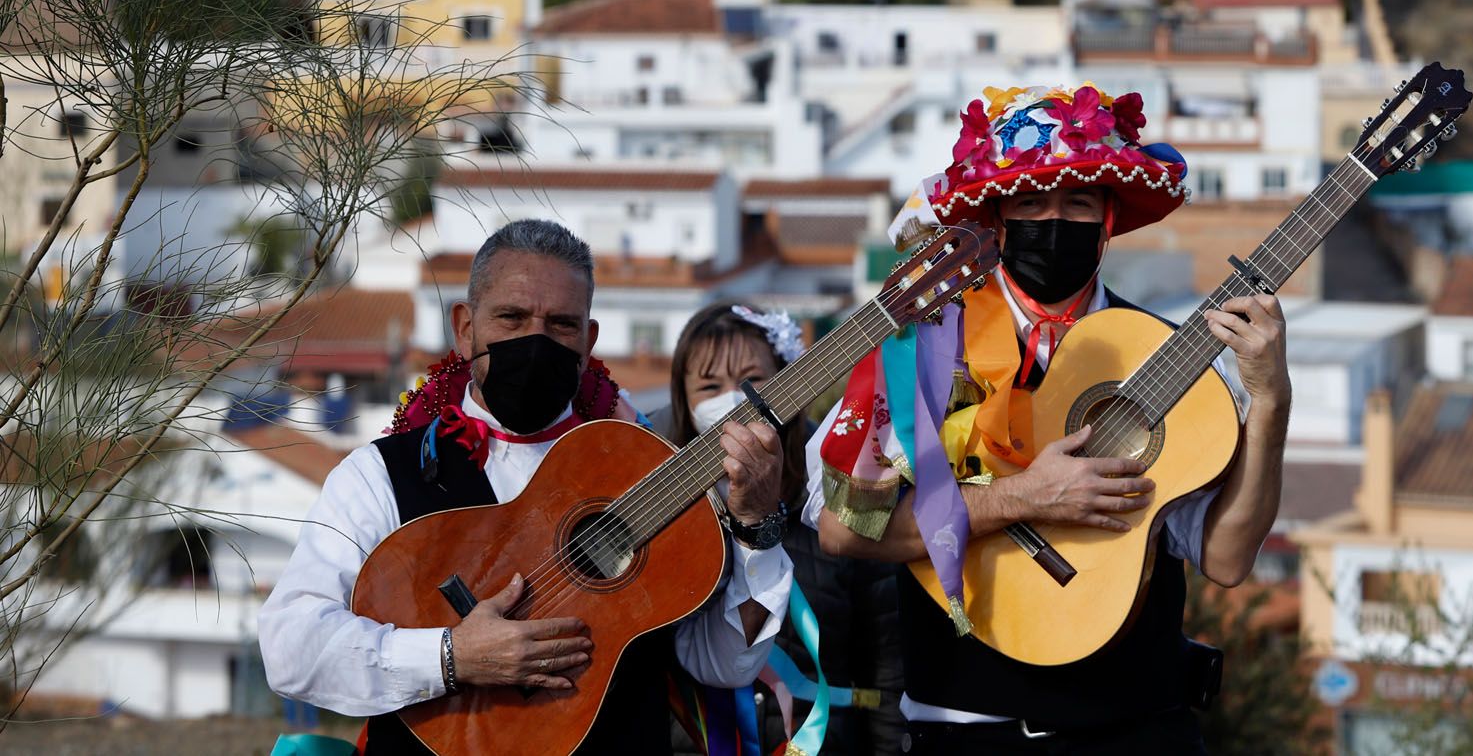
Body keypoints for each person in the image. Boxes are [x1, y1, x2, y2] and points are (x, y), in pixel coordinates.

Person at [808, 85, 1290, 755]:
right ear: (998, 217)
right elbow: (842, 526)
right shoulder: (923, 345)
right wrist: (1018, 497)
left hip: (1140, 732)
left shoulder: (1159, 356)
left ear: (1109, 217)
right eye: (1031, 201)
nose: (1054, 219)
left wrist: (1271, 401)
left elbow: (1228, 557)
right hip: (964, 735)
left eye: (1078, 201)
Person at [259, 219, 794, 754]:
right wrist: (451, 656)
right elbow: (291, 648)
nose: (535, 341)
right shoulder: (380, 475)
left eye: (560, 324)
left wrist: (756, 529)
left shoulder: (643, 470)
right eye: (512, 318)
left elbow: (723, 666)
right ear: (465, 327)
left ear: (588, 342)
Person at [667, 302, 907, 756]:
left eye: (752, 381)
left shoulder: (845, 502)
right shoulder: (664, 525)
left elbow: (888, 668)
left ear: (789, 384)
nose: (732, 402)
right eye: (708, 386)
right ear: (683, 400)